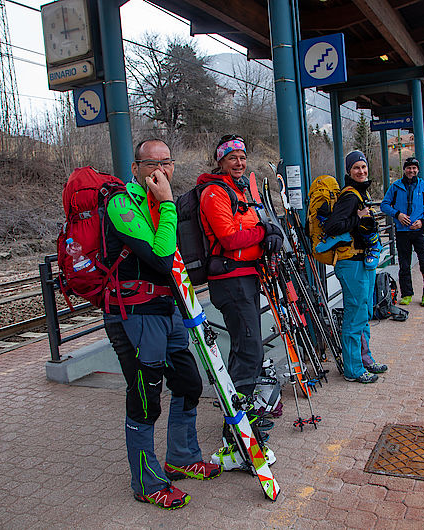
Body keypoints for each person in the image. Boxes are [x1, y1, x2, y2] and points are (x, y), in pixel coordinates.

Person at [102, 139, 221, 511]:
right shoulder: (121, 204)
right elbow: (160, 255)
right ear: (135, 167)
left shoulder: (158, 204)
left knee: (189, 382)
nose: (160, 170)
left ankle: (181, 457)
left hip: (167, 309)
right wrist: (168, 202)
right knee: (144, 397)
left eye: (167, 162)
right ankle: (145, 480)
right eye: (151, 163)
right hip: (135, 314)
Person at [197, 135, 283, 430]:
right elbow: (230, 238)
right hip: (231, 280)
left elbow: (249, 228)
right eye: (232, 157)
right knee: (250, 350)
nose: (239, 162)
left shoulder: (241, 189)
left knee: (243, 347)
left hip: (246, 276)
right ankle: (239, 427)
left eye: (243, 157)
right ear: (220, 160)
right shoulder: (214, 193)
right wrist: (265, 232)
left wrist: (266, 232)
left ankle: (240, 414)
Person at [323, 150, 388, 383]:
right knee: (354, 316)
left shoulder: (361, 192)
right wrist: (358, 218)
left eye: (363, 167)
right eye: (356, 168)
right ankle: (353, 369)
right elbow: (332, 226)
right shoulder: (350, 196)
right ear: (349, 171)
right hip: (351, 263)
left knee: (364, 312)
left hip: (362, 261)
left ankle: (365, 359)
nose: (361, 171)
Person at [380, 157, 424, 307]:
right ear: (404, 169)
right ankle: (406, 294)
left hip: (419, 231)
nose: (411, 171)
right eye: (409, 168)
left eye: (414, 168)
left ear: (418, 170)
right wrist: (397, 214)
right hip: (402, 231)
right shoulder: (396, 186)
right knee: (404, 264)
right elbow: (384, 205)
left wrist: (423, 221)